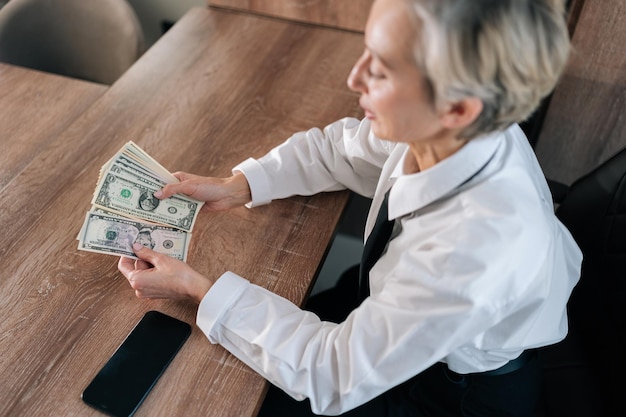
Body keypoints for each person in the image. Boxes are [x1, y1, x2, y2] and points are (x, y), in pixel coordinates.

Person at [117, 0, 582, 415]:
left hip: (450, 392)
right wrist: (238, 185)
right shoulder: (454, 133)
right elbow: (339, 149)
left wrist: (197, 289)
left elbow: (331, 375)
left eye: (380, 69)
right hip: (388, 307)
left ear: (457, 109)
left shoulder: (474, 253)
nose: (353, 78)